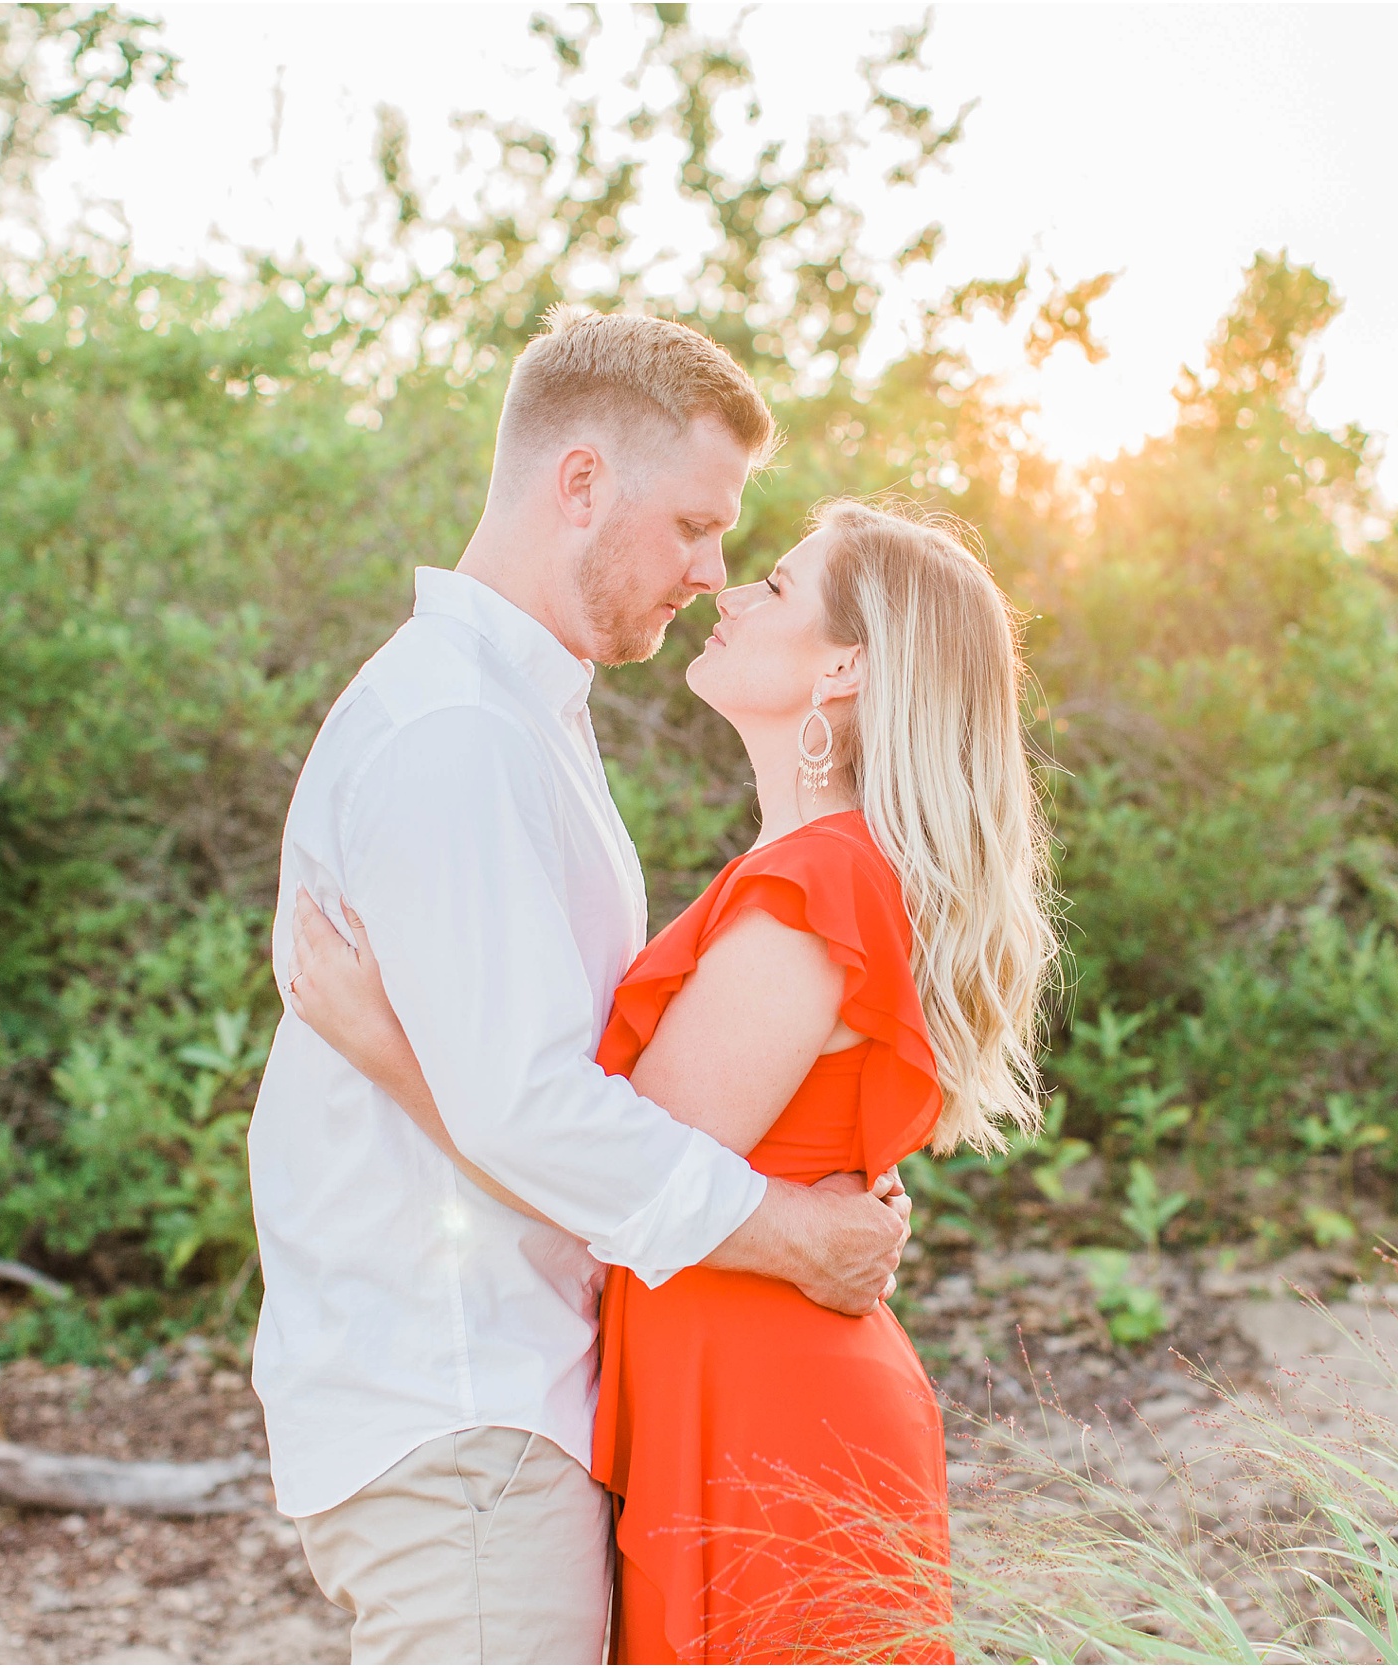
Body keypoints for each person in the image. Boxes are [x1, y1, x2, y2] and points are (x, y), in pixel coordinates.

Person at [247, 308, 917, 1666]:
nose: (711, 571)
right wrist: (794, 1235)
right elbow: (534, 1110)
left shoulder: (520, 720)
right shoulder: (460, 734)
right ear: (581, 483)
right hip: (462, 1402)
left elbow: (557, 1092)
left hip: (517, 1397)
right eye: (694, 526)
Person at [289, 497, 1059, 1663]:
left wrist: (387, 1051)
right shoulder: (804, 871)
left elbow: (620, 1164)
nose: (726, 590)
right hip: (731, 1373)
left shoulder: (816, 885)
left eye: (778, 589)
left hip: (766, 1400)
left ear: (843, 666)